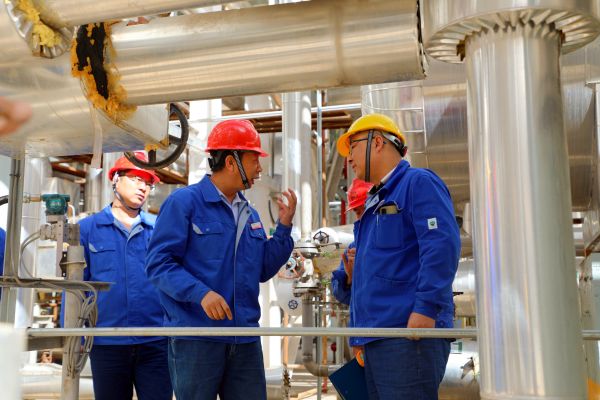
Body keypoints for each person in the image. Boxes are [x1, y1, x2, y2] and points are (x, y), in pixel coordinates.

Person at [145, 119, 297, 400]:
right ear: (230, 162)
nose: (260, 169)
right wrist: (201, 294)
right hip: (197, 338)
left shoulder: (249, 213)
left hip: (244, 338)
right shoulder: (184, 203)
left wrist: (284, 228)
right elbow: (158, 264)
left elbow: (262, 269)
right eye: (254, 160)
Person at [336, 114, 460, 399]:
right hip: (379, 339)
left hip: (407, 336)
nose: (349, 158)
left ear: (377, 142)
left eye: (353, 146)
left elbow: (441, 244)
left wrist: (426, 307)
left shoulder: (417, 183)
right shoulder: (376, 201)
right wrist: (360, 333)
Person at [78, 153, 172, 400]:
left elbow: (173, 279)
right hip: (107, 342)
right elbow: (76, 287)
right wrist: (73, 334)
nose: (143, 187)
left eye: (148, 182)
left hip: (155, 342)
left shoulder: (159, 229)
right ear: (116, 180)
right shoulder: (87, 229)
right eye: (136, 179)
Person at [331, 178, 373, 305]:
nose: (361, 218)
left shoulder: (391, 244)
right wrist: (350, 278)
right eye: (357, 212)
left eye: (364, 211)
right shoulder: (353, 248)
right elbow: (342, 296)